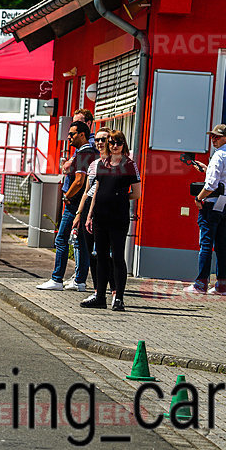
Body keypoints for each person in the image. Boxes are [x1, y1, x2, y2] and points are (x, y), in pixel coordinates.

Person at [81, 130, 141, 311]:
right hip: (100, 216)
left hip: (118, 217)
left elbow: (136, 193)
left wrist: (119, 198)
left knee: (117, 256)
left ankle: (119, 298)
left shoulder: (129, 165)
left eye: (119, 142)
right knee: (100, 256)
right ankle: (100, 296)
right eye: (112, 142)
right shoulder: (102, 164)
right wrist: (89, 215)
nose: (115, 146)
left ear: (124, 145)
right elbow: (96, 189)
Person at [37, 121, 98, 290]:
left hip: (75, 205)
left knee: (62, 239)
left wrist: (66, 195)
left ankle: (57, 279)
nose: (69, 137)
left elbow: (79, 181)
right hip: (84, 205)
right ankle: (79, 281)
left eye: (72, 134)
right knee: (81, 243)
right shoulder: (89, 153)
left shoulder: (84, 154)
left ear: (82, 135)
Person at [183, 124, 226, 295]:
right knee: (221, 244)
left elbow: (211, 185)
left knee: (206, 243)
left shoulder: (217, 156)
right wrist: (207, 170)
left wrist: (198, 198)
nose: (213, 139)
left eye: (217, 136)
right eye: (212, 136)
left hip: (212, 204)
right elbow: (224, 181)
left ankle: (200, 284)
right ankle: (222, 286)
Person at [72, 127, 116, 295]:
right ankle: (98, 290)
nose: (99, 143)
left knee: (108, 253)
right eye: (96, 139)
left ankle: (113, 289)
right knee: (91, 252)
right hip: (89, 206)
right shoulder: (93, 164)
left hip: (107, 208)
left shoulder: (117, 163)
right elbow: (86, 191)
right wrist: (78, 214)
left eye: (103, 140)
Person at [62, 109, 95, 289]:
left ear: (87, 125)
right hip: (76, 198)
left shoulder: (88, 147)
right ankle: (78, 277)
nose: (71, 133)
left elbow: (81, 179)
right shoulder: (81, 149)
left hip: (77, 199)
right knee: (77, 241)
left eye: (79, 123)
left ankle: (78, 279)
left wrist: (67, 197)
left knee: (73, 240)